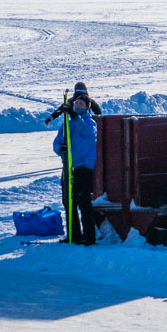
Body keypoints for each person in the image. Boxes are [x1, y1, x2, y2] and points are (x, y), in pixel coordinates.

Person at [53, 92, 98, 245]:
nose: (78, 105)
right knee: (68, 201)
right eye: (76, 103)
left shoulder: (89, 123)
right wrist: (61, 149)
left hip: (83, 167)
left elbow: (85, 132)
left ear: (86, 107)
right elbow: (57, 142)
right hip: (68, 166)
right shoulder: (66, 124)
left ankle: (89, 236)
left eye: (81, 104)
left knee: (83, 201)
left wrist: (74, 116)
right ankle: (74, 235)